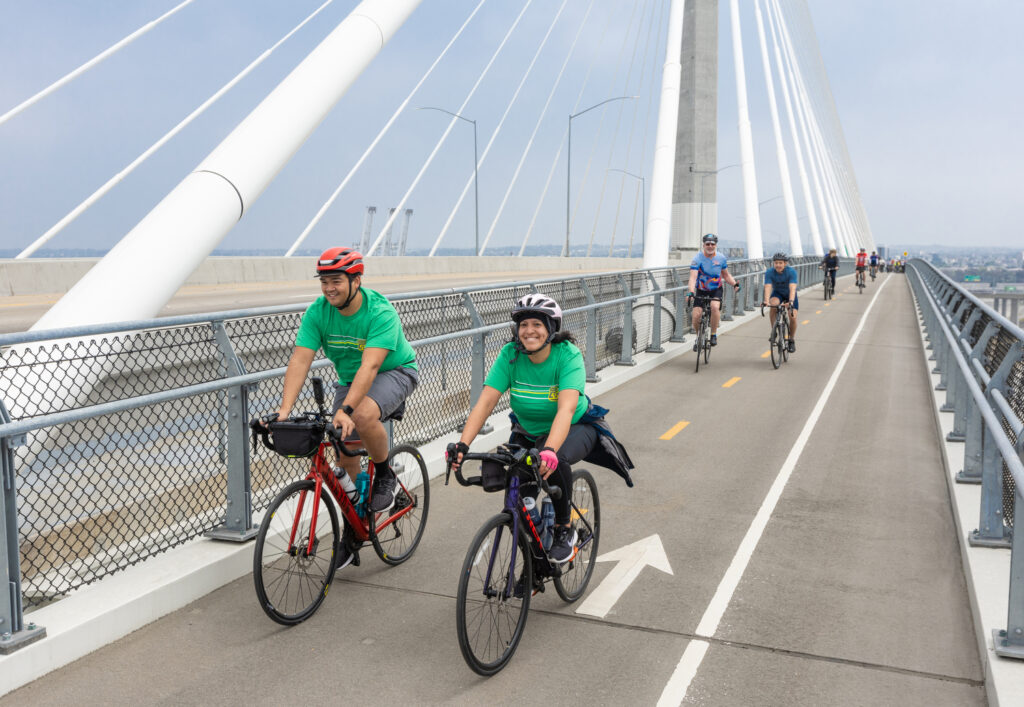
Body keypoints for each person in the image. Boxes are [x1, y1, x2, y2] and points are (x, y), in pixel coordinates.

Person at [447, 294, 634, 564]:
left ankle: (563, 530)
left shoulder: (567, 355)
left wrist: (549, 451)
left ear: (550, 328)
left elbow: (566, 409)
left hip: (574, 426)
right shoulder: (510, 355)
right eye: (523, 325)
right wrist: (463, 445)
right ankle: (533, 568)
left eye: (537, 324)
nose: (529, 330)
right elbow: (485, 402)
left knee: (556, 462)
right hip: (527, 431)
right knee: (518, 505)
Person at [273, 247, 419, 568]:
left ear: (356, 279)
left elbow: (370, 368)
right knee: (343, 449)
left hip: (393, 371)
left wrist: (347, 410)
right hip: (351, 379)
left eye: (336, 280)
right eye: (324, 281)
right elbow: (300, 359)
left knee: (362, 415)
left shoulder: (380, 312)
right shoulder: (318, 312)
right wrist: (284, 411)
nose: (329, 289)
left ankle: (384, 474)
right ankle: (354, 529)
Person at [687, 233, 740, 349]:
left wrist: (735, 284)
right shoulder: (697, 259)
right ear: (703, 245)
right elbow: (693, 277)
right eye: (708, 244)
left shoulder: (721, 258)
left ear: (716, 245)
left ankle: (713, 334)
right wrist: (690, 292)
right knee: (696, 316)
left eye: (712, 244)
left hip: (716, 289)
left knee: (715, 307)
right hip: (701, 289)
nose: (710, 246)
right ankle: (698, 337)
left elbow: (726, 275)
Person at [763, 252, 799, 353]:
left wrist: (791, 301)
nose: (778, 265)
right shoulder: (770, 272)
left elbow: (792, 288)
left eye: (780, 263)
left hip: (790, 295)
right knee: (773, 304)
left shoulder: (791, 272)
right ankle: (774, 331)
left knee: (792, 316)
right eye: (776, 263)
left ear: (785, 264)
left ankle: (791, 339)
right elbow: (768, 287)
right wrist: (766, 301)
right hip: (778, 293)